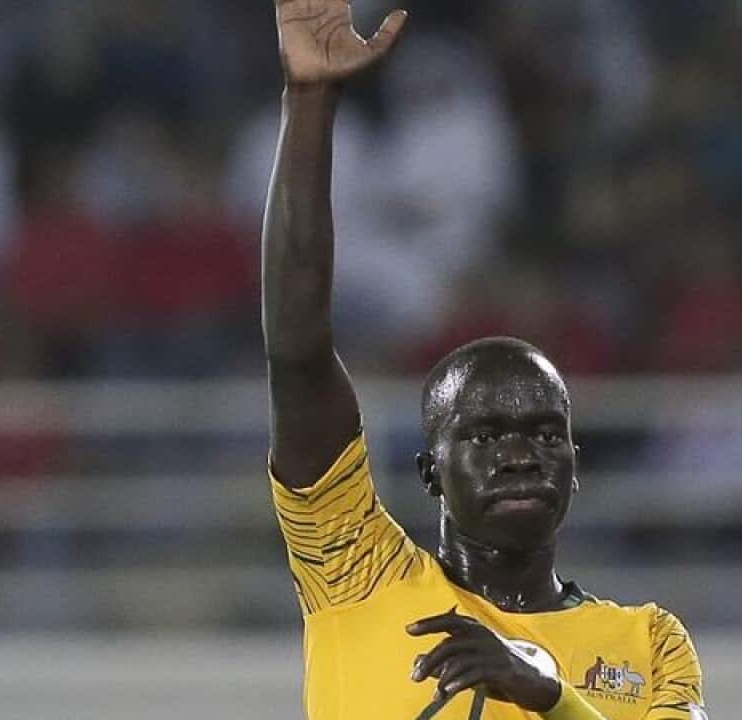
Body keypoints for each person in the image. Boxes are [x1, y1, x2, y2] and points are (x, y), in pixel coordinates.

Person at [261, 2, 707, 719]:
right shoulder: (355, 571)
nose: (520, 453)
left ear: (574, 460)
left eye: (543, 432)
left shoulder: (649, 642)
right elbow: (297, 348)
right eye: (484, 435)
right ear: (430, 470)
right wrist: (310, 99)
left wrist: (548, 696)